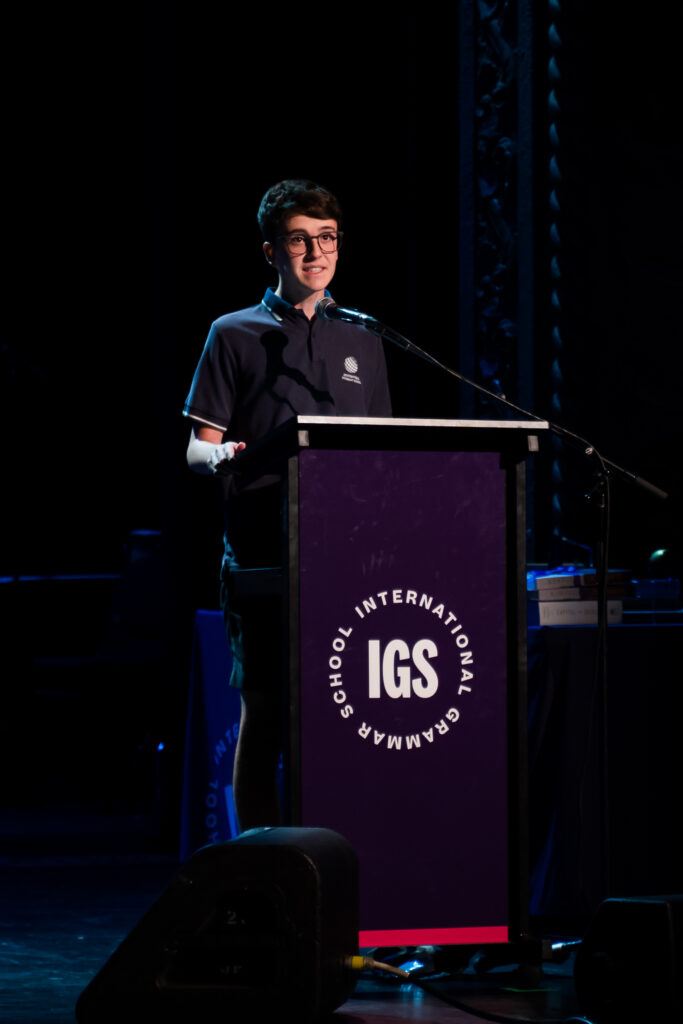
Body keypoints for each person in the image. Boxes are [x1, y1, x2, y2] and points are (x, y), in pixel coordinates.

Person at [183, 179, 392, 831]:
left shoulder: (363, 336)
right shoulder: (232, 333)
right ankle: (259, 865)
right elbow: (196, 449)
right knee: (268, 715)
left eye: (327, 238)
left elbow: (381, 453)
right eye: (299, 240)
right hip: (263, 553)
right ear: (270, 251)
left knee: (346, 713)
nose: (316, 253)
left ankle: (342, 859)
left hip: (347, 557)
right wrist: (224, 455)